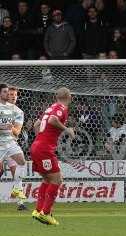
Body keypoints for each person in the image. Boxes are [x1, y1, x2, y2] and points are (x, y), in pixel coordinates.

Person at [30, 87, 75, 225]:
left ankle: (38, 210)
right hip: (44, 149)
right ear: (69, 97)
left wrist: (41, 138)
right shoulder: (61, 107)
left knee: (47, 179)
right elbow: (53, 120)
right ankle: (46, 213)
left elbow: (37, 124)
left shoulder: (50, 107)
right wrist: (67, 130)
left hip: (36, 146)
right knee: (57, 179)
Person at [0, 85, 27, 210]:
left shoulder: (18, 112)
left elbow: (17, 132)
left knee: (18, 169)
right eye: (9, 94)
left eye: (14, 95)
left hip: (10, 144)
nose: (12, 97)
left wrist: (9, 127)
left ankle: (20, 203)